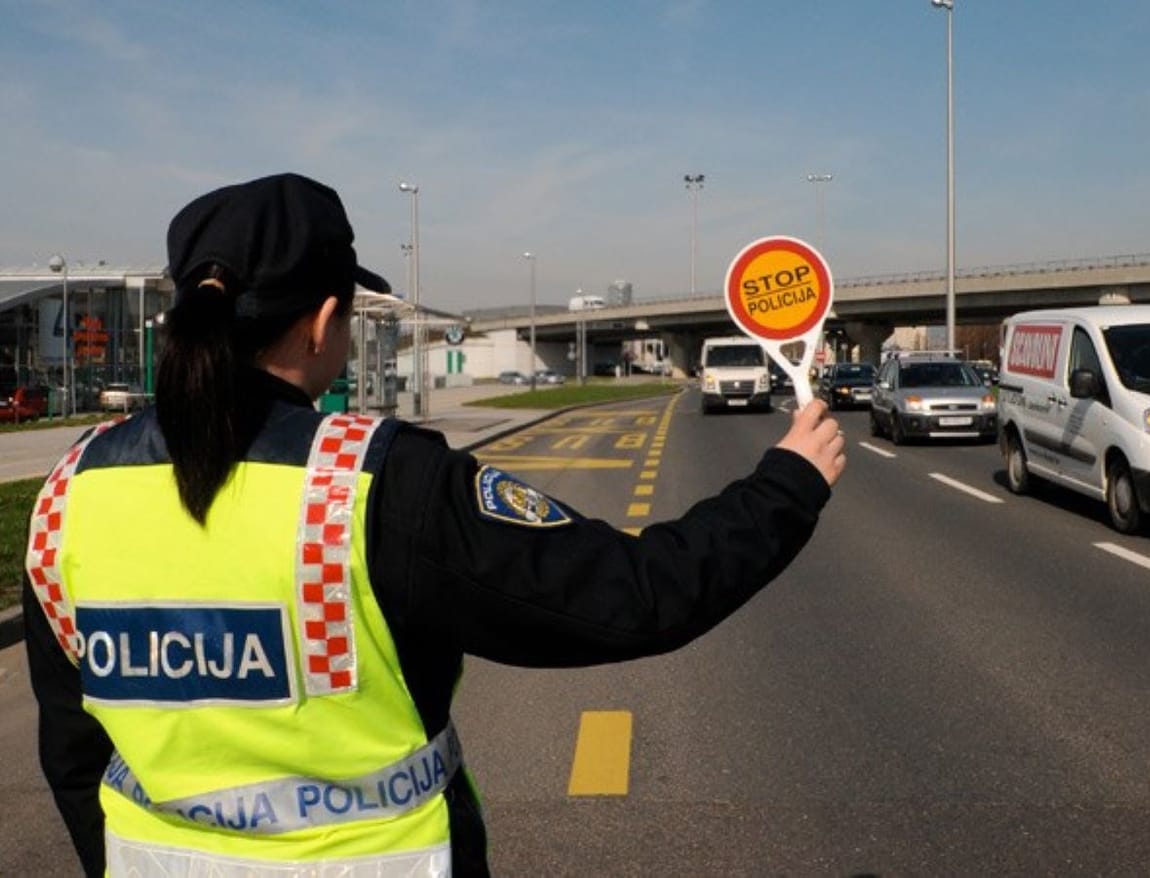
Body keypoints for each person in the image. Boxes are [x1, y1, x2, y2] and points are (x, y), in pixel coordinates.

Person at [23, 172, 846, 877]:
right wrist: (787, 485)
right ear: (323, 321)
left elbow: (72, 751)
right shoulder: (376, 482)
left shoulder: (70, 491)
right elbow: (632, 597)